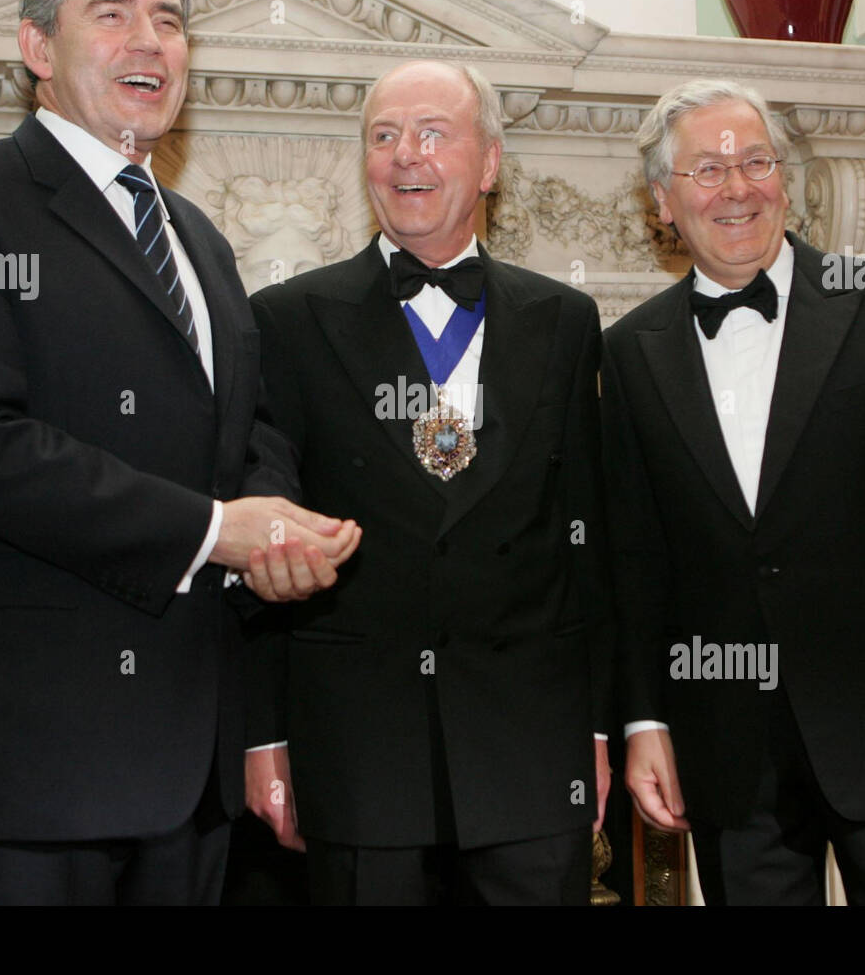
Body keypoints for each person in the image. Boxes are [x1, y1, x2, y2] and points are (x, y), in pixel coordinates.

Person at [0, 0, 358, 906]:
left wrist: (279, 531)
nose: (151, 41)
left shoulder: (201, 239)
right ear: (37, 48)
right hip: (26, 771)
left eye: (170, 21)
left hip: (191, 773)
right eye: (114, 14)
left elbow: (245, 432)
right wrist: (220, 530)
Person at [601, 78, 865, 905]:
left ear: (785, 178)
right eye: (708, 169)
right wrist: (644, 721)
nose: (738, 186)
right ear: (661, 198)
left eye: (756, 161)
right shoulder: (627, 350)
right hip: (728, 750)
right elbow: (633, 558)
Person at [245, 60, 613, 905]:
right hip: (359, 747)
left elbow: (589, 537)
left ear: (489, 164)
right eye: (384, 136)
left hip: (530, 742)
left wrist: (597, 726)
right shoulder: (287, 321)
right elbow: (267, 545)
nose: (406, 155)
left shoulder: (566, 322)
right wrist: (262, 738)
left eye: (433, 134)